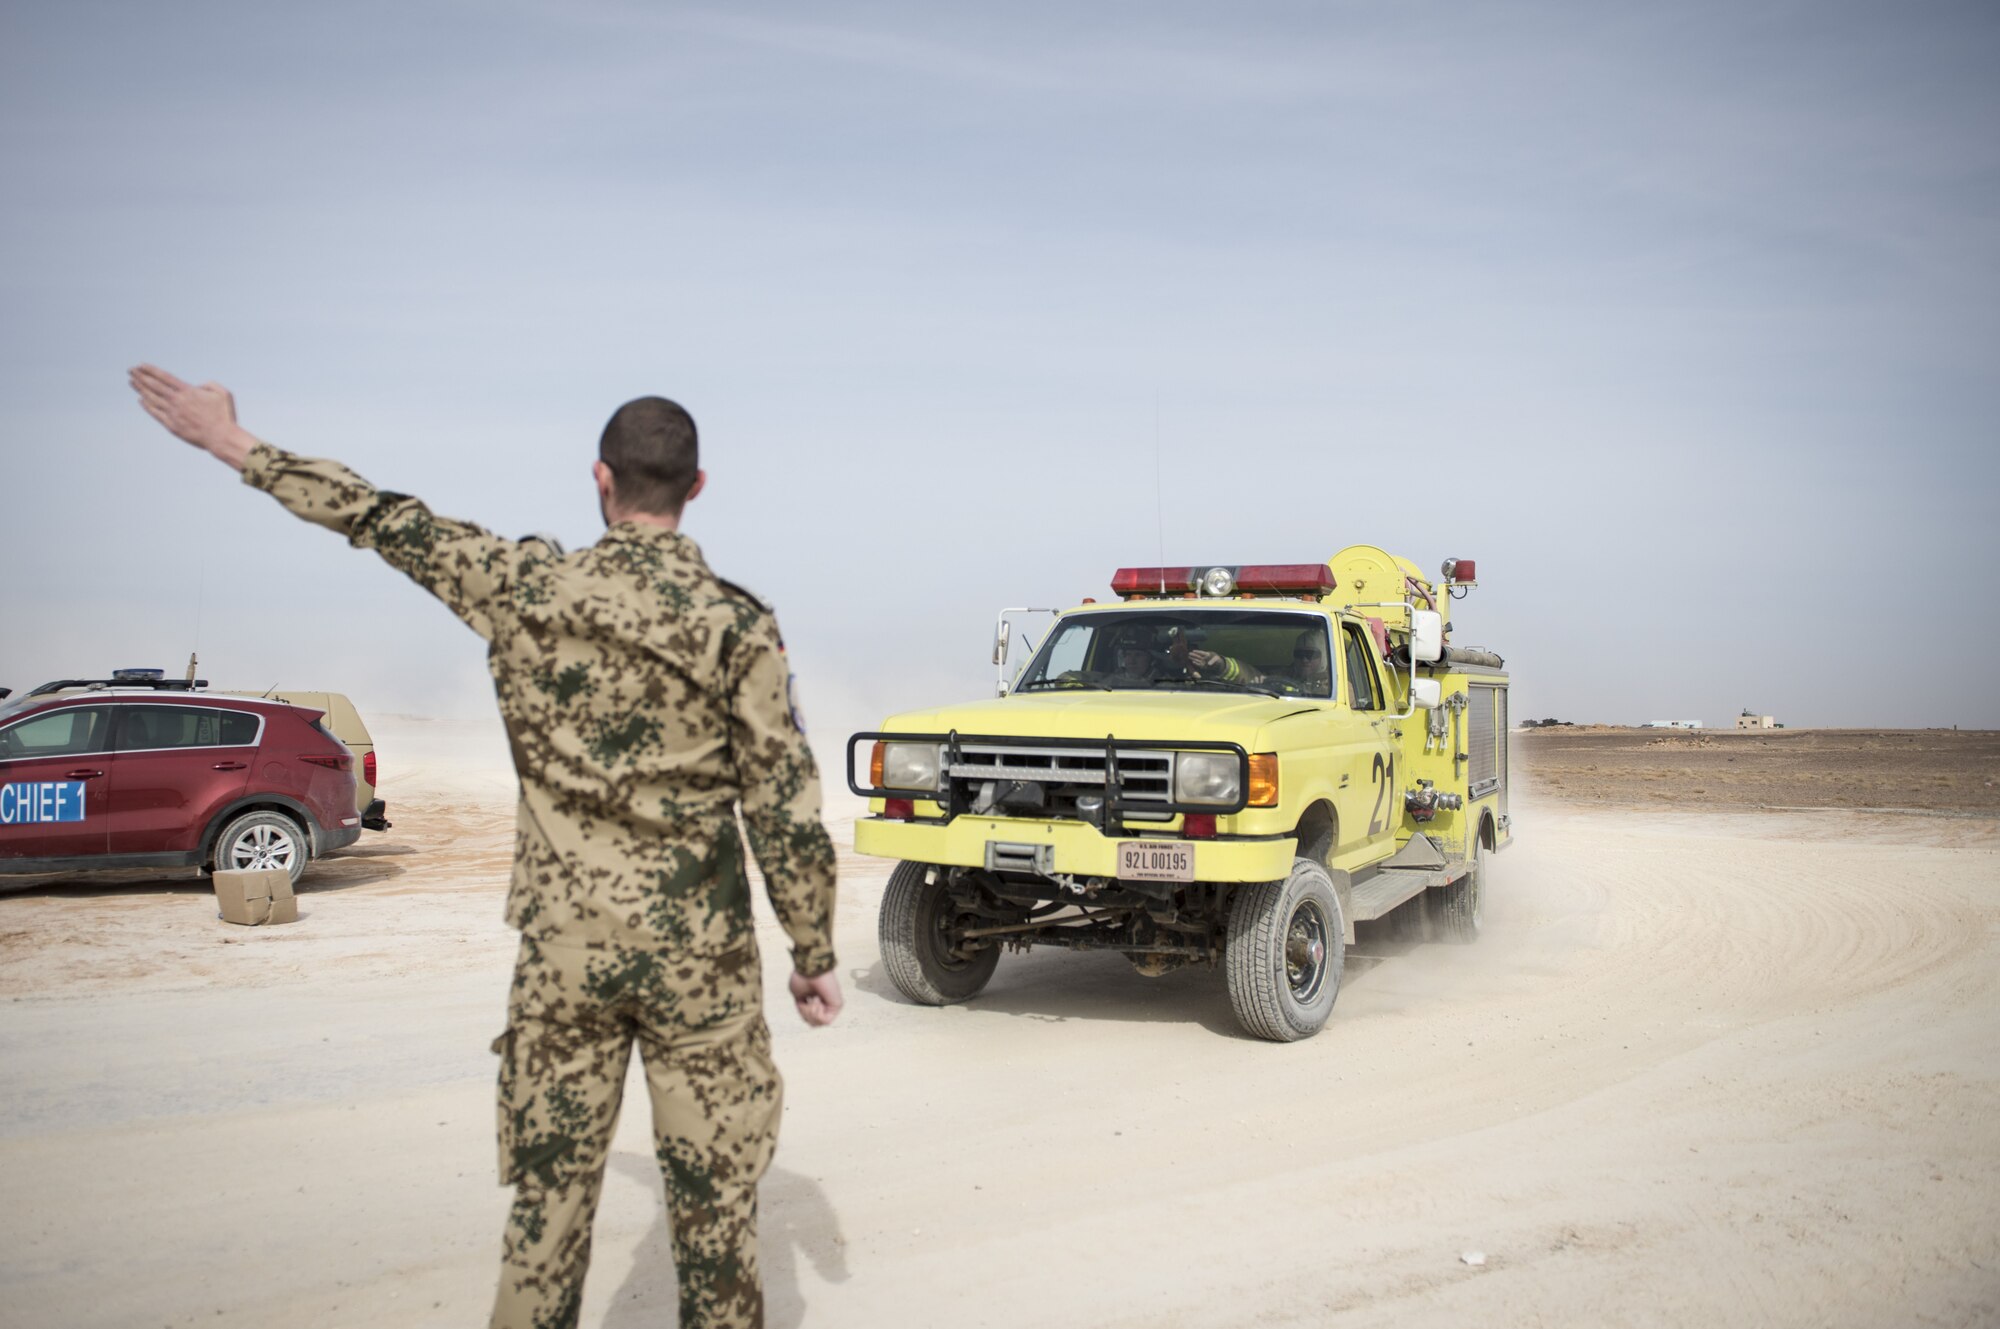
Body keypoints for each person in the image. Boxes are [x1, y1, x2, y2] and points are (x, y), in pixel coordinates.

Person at [128, 365, 841, 1329]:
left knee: (547, 1220)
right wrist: (813, 951)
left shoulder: (524, 586)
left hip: (564, 960)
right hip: (700, 965)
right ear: (697, 486)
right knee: (716, 1221)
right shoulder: (737, 625)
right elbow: (785, 806)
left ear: (601, 479)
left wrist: (235, 444)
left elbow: (383, 518)